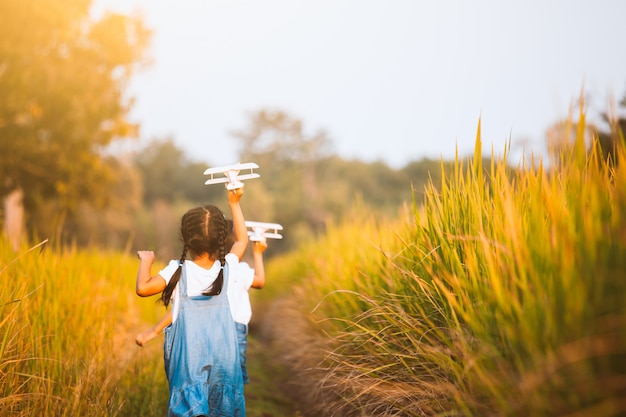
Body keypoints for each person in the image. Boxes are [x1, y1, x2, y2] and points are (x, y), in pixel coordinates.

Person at [135, 186, 248, 417]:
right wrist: (234, 203)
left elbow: (143, 288)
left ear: (185, 238)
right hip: (224, 363)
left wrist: (146, 260)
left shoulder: (177, 270)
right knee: (224, 408)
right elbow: (243, 240)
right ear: (222, 239)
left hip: (188, 365)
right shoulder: (227, 268)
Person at [136, 220, 268, 386]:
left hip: (206, 330)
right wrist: (257, 252)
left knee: (203, 380)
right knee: (230, 384)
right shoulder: (237, 268)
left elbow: (181, 309)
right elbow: (260, 281)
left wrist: (154, 331)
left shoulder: (195, 273)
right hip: (235, 329)